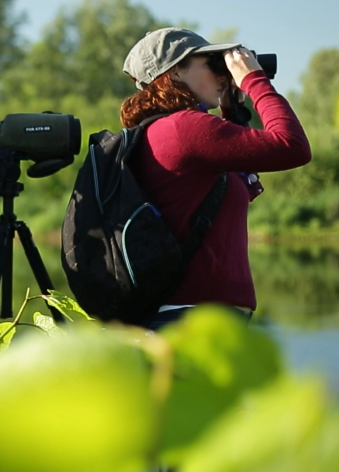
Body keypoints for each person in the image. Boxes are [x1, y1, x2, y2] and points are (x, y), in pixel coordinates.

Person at [119, 27, 312, 331]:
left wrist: (232, 113)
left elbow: (231, 191)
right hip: (193, 318)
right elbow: (292, 147)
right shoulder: (186, 128)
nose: (223, 74)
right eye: (211, 63)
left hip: (187, 315)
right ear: (176, 72)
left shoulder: (164, 131)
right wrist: (254, 80)